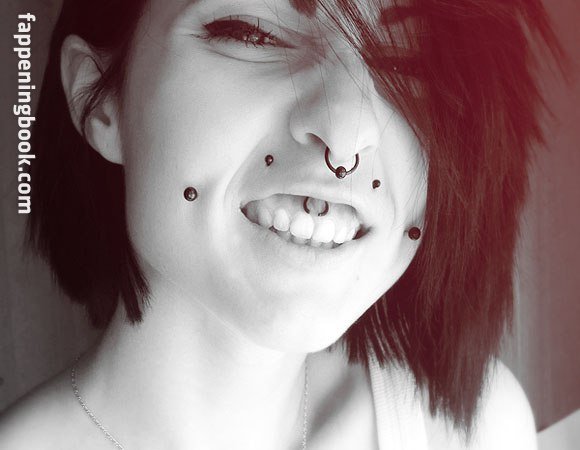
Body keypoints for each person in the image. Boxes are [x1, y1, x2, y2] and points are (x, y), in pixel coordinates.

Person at [0, 0, 564, 448]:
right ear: (99, 101)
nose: (347, 134)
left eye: (408, 62)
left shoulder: (469, 433)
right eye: (252, 34)